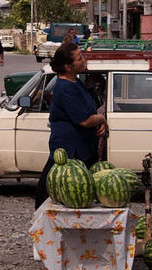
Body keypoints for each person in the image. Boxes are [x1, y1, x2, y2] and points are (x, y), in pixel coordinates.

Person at [34, 43, 107, 209]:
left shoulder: (76, 83)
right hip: (69, 154)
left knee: (80, 200)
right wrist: (101, 120)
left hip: (82, 151)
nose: (84, 60)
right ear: (67, 67)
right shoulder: (65, 88)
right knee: (53, 197)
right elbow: (85, 120)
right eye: (80, 58)